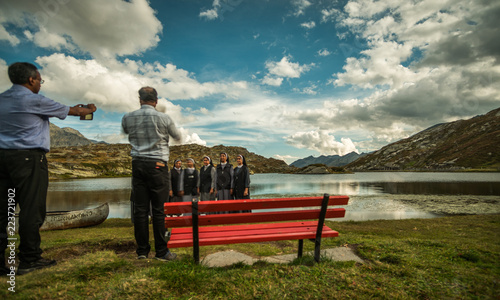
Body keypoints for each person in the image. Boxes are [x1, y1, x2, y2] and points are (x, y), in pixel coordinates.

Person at [0, 62, 96, 275]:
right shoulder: (34, 100)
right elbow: (73, 111)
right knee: (31, 210)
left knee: (3, 210)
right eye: (40, 81)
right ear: (31, 79)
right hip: (29, 160)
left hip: (2, 159)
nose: (40, 85)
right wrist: (89, 109)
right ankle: (30, 259)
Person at [122, 86, 181, 262]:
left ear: (140, 100)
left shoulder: (128, 117)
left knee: (140, 209)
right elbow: (177, 136)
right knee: (159, 210)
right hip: (157, 165)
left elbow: (126, 131)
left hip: (138, 164)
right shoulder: (163, 118)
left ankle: (142, 251)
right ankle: (162, 252)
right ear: (156, 101)